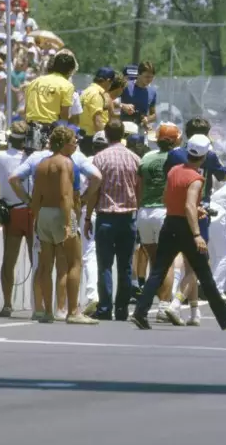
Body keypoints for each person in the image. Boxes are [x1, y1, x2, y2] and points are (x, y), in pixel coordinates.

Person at [131, 134, 226, 331]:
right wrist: (196, 234)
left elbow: (167, 197)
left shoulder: (174, 171)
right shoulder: (196, 178)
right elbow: (190, 206)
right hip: (186, 227)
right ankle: (224, 317)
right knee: (204, 274)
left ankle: (140, 312)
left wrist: (189, 209)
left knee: (158, 271)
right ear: (204, 155)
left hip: (170, 223)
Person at [30, 125, 98, 325]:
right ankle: (73, 311)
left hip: (44, 213)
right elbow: (65, 194)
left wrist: (36, 217)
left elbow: (36, 195)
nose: (76, 144)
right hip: (61, 214)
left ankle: (48, 311)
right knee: (74, 262)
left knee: (45, 265)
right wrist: (69, 222)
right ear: (66, 143)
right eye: (74, 141)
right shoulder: (66, 163)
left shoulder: (42, 164)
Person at [84, 119, 141, 322]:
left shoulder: (99, 159)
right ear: (123, 134)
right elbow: (139, 189)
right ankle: (122, 309)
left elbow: (93, 190)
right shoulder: (135, 158)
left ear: (106, 135)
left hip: (106, 216)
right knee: (125, 266)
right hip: (127, 217)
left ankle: (106, 307)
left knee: (105, 265)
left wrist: (87, 216)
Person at [135, 122, 179, 315]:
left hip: (144, 211)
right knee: (167, 261)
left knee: (155, 261)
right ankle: (163, 305)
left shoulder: (146, 157)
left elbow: (139, 186)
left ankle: (153, 303)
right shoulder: (178, 158)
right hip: (164, 211)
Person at [0, 121, 32, 317]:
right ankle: (40, 303)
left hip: (12, 210)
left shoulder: (1, 156)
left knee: (9, 260)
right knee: (38, 260)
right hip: (31, 210)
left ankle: (7, 303)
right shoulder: (33, 157)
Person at [23, 51, 76, 151]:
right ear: (70, 71)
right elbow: (64, 114)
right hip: (50, 129)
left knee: (31, 160)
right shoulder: (67, 85)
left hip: (30, 128)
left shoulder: (35, 81)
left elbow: (26, 109)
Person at [77, 67, 116, 154]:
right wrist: (103, 140)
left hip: (82, 135)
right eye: (112, 83)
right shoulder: (96, 94)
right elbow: (97, 121)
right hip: (91, 138)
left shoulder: (86, 91)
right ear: (108, 80)